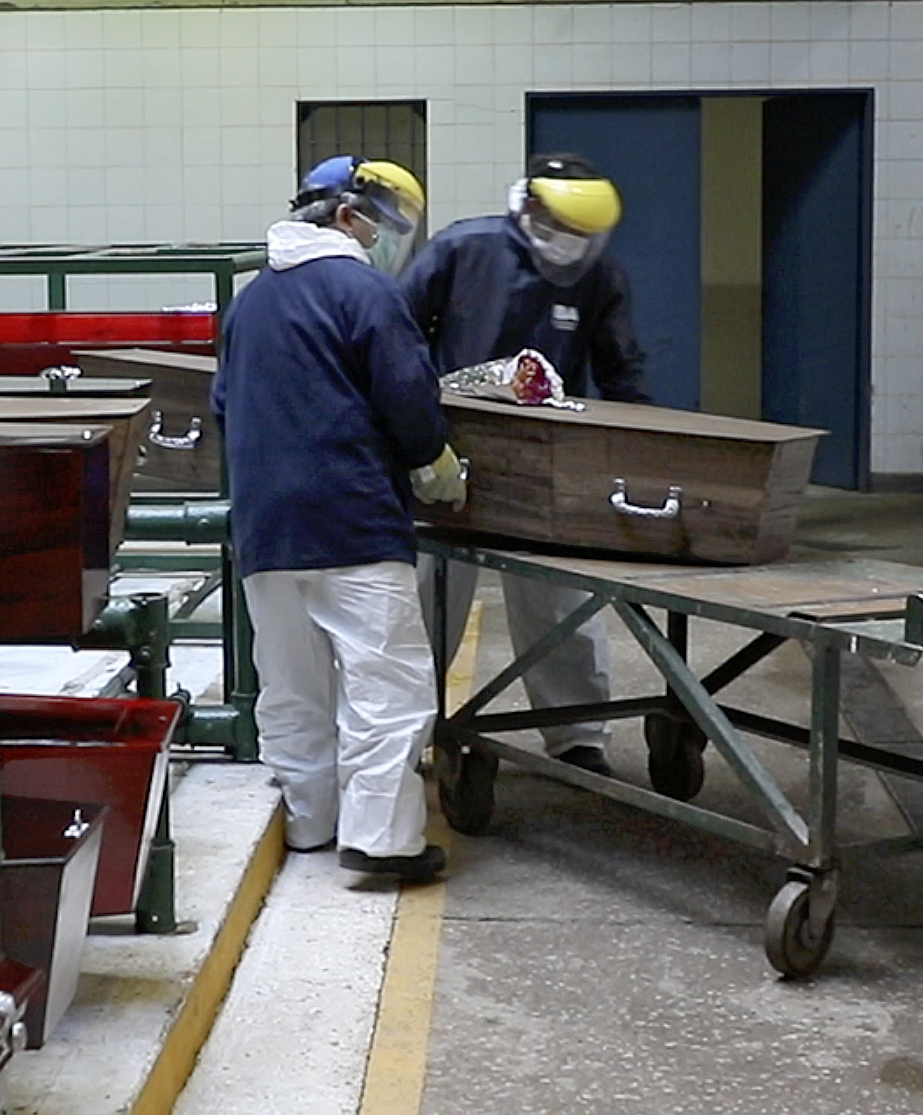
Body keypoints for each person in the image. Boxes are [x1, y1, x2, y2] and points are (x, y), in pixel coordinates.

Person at [211, 155, 467, 884]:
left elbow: (224, 406)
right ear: (345, 217)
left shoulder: (249, 301)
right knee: (385, 683)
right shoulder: (364, 291)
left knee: (292, 684)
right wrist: (434, 464)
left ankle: (308, 822)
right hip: (352, 520)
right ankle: (382, 842)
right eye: (388, 226)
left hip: (265, 529)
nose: (393, 242)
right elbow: (407, 399)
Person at [401, 153, 646, 779]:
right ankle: (406, 735)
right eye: (567, 227)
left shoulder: (598, 275)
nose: (575, 244)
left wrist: (635, 454)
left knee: (558, 600)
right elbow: (393, 335)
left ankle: (577, 737)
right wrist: (408, 434)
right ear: (531, 207)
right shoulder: (465, 249)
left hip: (545, 457)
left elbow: (622, 371)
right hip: (445, 447)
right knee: (426, 598)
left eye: (587, 234)